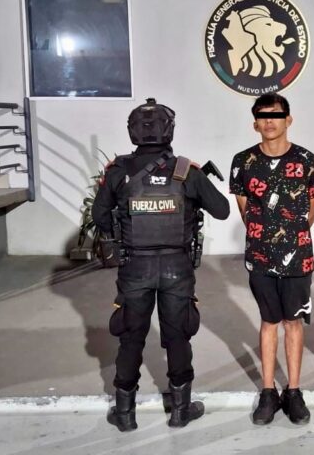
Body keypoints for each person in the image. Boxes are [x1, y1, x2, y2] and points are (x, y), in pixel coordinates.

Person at [92, 98, 230, 431]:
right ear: (169, 130)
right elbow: (222, 210)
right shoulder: (186, 171)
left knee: (131, 338)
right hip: (176, 268)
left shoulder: (118, 171)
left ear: (133, 131)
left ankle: (125, 414)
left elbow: (99, 217)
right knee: (178, 336)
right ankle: (181, 410)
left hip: (134, 267)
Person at [230, 93, 314, 425]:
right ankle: (268, 392)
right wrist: (266, 237)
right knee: (269, 321)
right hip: (260, 257)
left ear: (289, 120)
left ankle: (293, 391)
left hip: (298, 258)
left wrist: (287, 236)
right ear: (255, 122)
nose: (270, 121)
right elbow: (246, 212)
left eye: (276, 115)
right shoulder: (243, 161)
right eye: (263, 115)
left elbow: (310, 214)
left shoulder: (307, 160)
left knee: (293, 322)